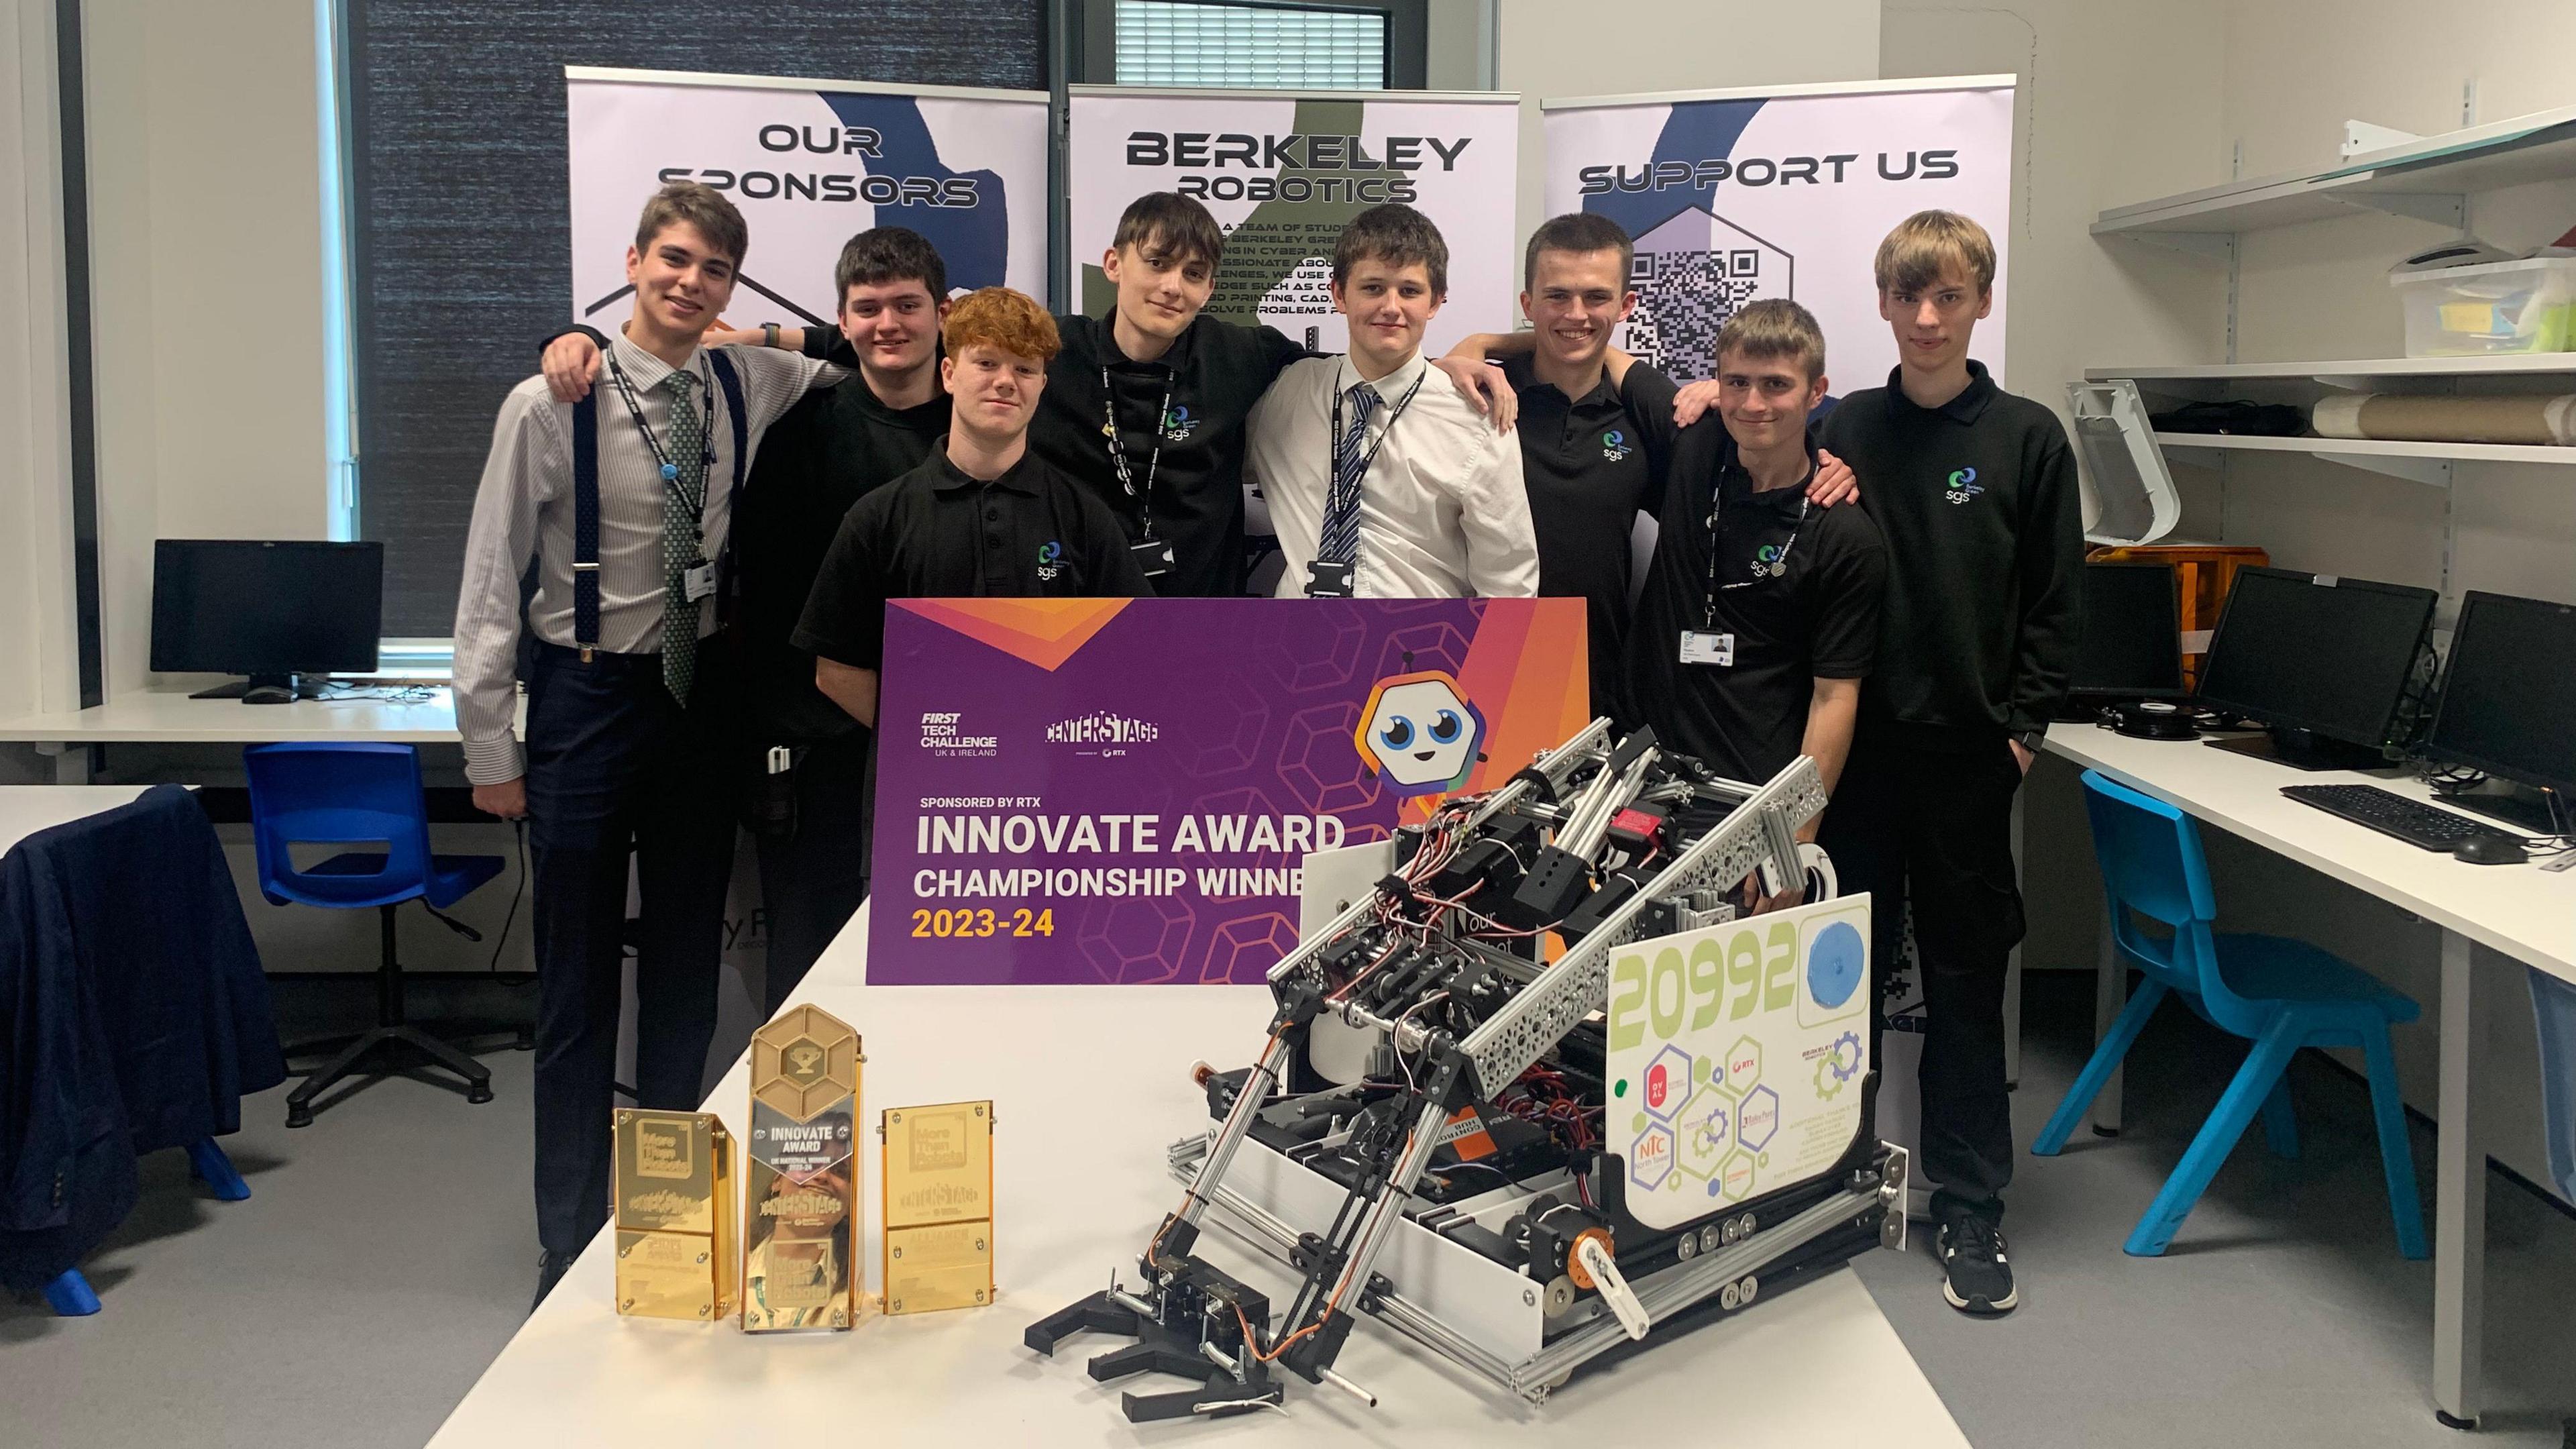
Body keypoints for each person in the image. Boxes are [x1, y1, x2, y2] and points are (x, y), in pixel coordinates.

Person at [452, 182, 841, 1308]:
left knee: (682, 976)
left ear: (729, 289)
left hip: (698, 699)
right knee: (575, 986)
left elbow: (861, 350)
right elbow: (488, 579)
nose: (688, 283)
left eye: (712, 271)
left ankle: (661, 1228)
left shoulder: (743, 377)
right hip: (582, 701)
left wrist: (757, 330)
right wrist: (492, 749)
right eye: (672, 261)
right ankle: (567, 1235)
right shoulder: (545, 401)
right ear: (631, 262)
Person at [550, 193, 1513, 597]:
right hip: (1067, 622)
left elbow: (1378, 360)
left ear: (1211, 288)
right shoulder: (1047, 345)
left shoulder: (1248, 358)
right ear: (1114, 264)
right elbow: (903, 340)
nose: (1170, 288)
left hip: (1207, 633)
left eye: (1191, 275)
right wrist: (747, 334)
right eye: (1154, 265)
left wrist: (1471, 352)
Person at [1801, 209, 2080, 1316]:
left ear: (1979, 304)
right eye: (1907, 298)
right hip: (1857, 762)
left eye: (1948, 297)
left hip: (1970, 761)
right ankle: (1832, 1186)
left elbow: (2059, 604)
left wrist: (2021, 734)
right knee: (1840, 988)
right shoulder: (1845, 426)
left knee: (1966, 991)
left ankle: (1971, 1209)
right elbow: (1750, 444)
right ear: (1882, 305)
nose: (1925, 318)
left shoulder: (2027, 436)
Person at [1441, 213, 1856, 717]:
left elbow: (1754, 464)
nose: (1577, 313)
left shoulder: (1647, 417)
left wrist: (1822, 465)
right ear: (1528, 305)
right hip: (1465, 668)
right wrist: (1473, 348)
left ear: (1626, 305)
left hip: (1598, 681)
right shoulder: (1473, 395)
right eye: (1557, 297)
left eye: (1596, 297)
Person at [730, 227, 953, 1015]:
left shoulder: (987, 427)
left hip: (958, 744)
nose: (888, 324)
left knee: (946, 956)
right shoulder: (794, 432)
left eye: (907, 305)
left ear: (942, 314)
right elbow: (761, 594)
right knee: (808, 946)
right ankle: (810, 1128)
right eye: (868, 309)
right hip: (816, 735)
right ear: (842, 318)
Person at [1621, 299, 1885, 905]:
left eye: (1776, 385)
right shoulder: (1695, 446)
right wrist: (1479, 345)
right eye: (1736, 382)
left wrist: (1792, 840)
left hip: (1751, 807)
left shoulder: (1843, 535)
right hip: (1639, 785)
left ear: (1817, 392)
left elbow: (1834, 698)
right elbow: (1593, 349)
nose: (1753, 403)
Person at [792, 286, 1152, 725]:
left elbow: (1135, 651)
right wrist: (927, 743)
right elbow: (836, 671)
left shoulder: (1085, 517)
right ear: (948, 373)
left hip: (1054, 782)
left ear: (1041, 386)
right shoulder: (879, 518)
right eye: (986, 362)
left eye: (1024, 368)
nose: (1006, 381)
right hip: (926, 787)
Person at [1250, 205, 1539, 599]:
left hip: (1421, 648)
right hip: (1299, 646)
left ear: (1435, 302)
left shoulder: (1476, 418)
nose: (1391, 307)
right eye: (1372, 288)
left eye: (1409, 291)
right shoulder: (1285, 393)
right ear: (1339, 294)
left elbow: (1508, 582)